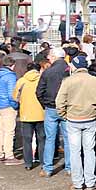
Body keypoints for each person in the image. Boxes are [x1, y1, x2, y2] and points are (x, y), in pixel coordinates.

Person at [56, 55, 96, 190]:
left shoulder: (68, 81)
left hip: (73, 119)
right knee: (90, 151)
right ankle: (90, 182)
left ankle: (77, 182)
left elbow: (60, 101)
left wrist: (64, 115)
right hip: (90, 118)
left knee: (75, 151)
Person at [36, 47, 70, 177]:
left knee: (50, 138)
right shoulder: (69, 71)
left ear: (55, 57)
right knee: (68, 139)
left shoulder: (47, 72)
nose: (48, 58)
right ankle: (70, 167)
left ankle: (47, 168)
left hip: (51, 107)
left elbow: (39, 92)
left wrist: (45, 104)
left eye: (50, 56)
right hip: (66, 107)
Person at [13, 57, 46, 171]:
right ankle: (42, 162)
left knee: (27, 140)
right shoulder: (42, 79)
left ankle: (28, 163)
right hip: (41, 113)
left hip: (26, 114)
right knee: (42, 139)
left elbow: (15, 97)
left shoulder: (21, 81)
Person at [0, 56, 20, 165]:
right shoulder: (11, 76)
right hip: (8, 106)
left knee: (1, 130)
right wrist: (15, 105)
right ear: (12, 65)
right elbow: (12, 94)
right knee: (9, 131)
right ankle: (9, 155)